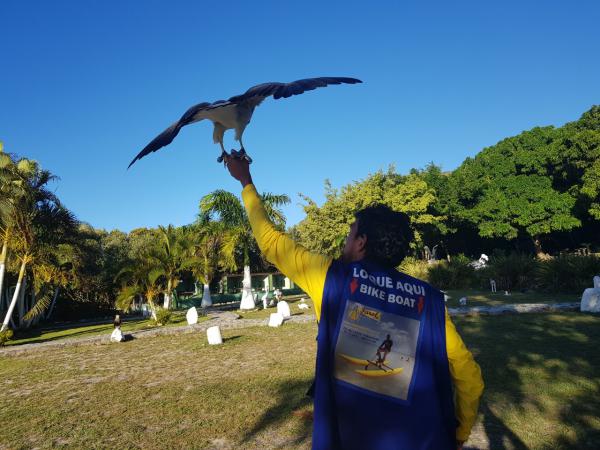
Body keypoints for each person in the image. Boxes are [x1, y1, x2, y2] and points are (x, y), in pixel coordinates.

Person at [224, 154, 484, 450]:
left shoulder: (329, 278)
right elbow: (468, 374)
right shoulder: (430, 301)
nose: (344, 241)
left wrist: (245, 180)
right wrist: (460, 434)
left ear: (360, 242)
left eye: (349, 234)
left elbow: (270, 242)